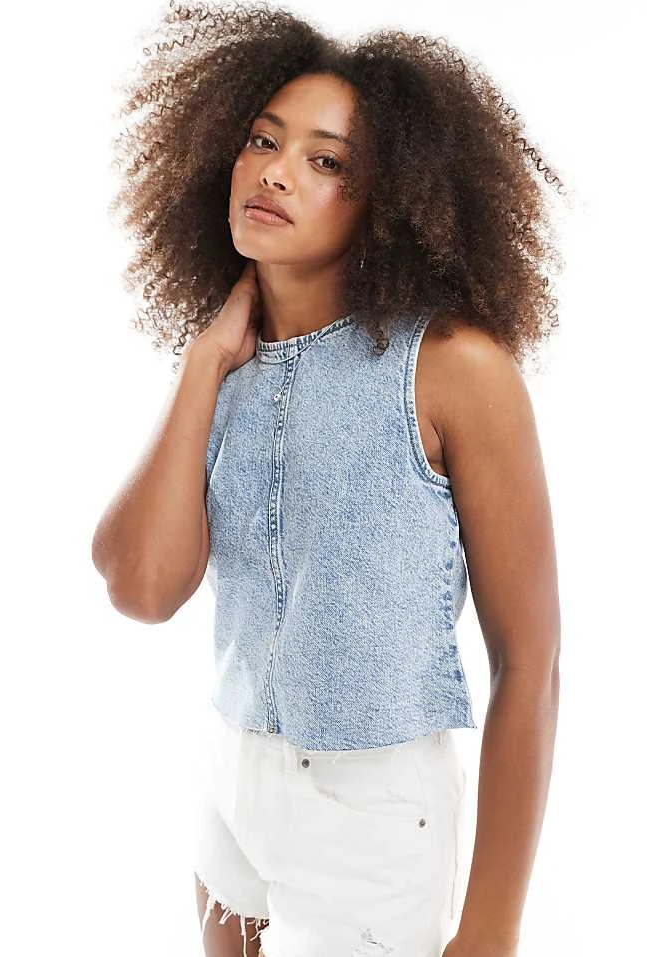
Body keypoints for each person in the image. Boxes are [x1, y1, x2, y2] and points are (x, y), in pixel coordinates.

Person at [92, 5, 566, 956]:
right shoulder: (226, 370)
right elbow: (141, 588)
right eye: (262, 141)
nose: (276, 172)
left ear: (387, 200)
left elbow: (532, 662)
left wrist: (492, 929)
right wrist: (202, 366)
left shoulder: (453, 369)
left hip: (372, 816)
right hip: (232, 783)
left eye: (327, 161)